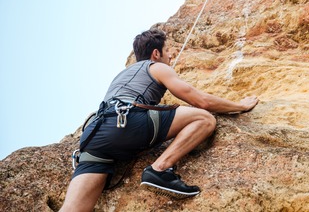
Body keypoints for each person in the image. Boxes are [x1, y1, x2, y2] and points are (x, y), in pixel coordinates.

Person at [60, 27, 259, 212]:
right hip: (127, 123)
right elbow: (202, 102)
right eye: (167, 51)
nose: (171, 55)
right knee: (204, 119)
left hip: (93, 137)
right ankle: (160, 169)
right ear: (156, 53)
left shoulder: (122, 76)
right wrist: (240, 106)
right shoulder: (156, 67)